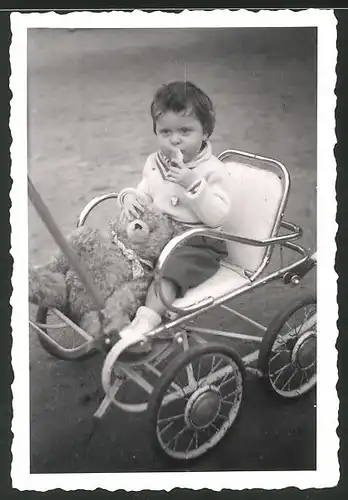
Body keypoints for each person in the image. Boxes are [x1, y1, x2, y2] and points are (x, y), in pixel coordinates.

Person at [117, 81, 231, 351]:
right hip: (161, 233)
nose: (175, 139)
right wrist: (131, 197)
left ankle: (147, 320)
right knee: (124, 252)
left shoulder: (212, 170)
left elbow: (218, 216)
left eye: (185, 131)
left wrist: (193, 184)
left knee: (169, 272)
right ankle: (116, 308)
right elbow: (146, 191)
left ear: (205, 132)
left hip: (197, 242)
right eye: (165, 131)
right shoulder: (155, 162)